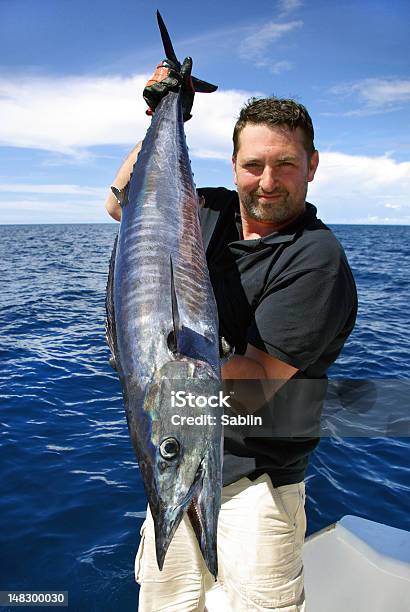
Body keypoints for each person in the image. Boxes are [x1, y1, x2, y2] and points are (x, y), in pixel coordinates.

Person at [105, 60, 357, 611]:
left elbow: (255, 384)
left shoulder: (316, 258)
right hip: (180, 472)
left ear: (312, 166)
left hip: (255, 494)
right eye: (254, 165)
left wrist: (158, 367)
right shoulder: (208, 209)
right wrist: (161, 112)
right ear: (235, 166)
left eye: (285, 164)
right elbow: (120, 203)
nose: (267, 182)